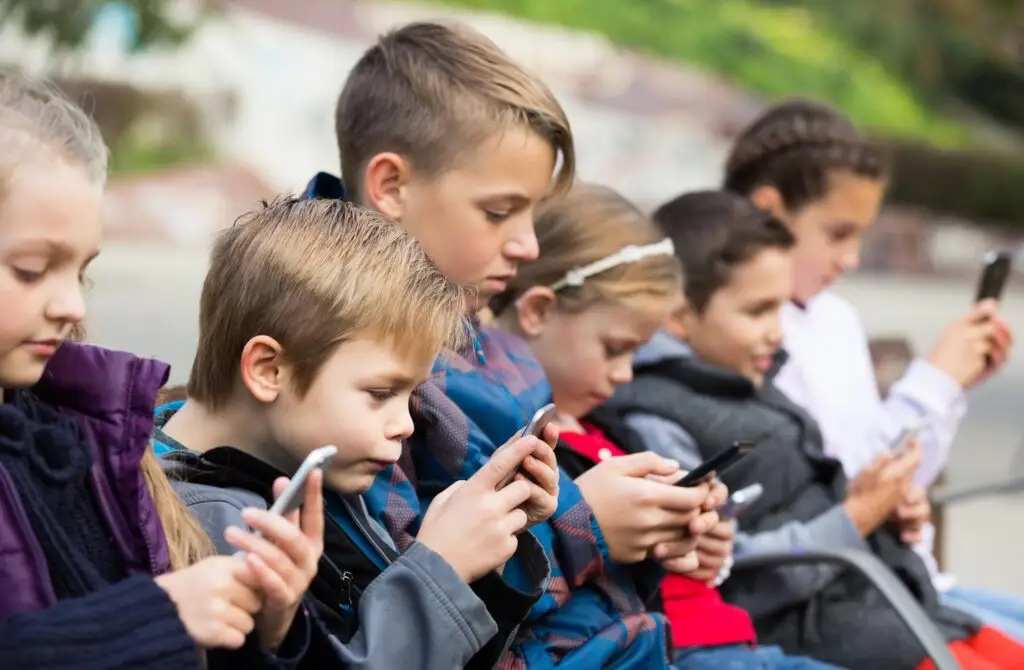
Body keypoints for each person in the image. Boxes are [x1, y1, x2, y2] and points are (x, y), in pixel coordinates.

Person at [306, 21, 720, 668]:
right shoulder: (346, 361)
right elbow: (401, 600)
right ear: (390, 187)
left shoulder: (475, 332)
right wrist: (589, 529)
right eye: (500, 213)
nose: (528, 246)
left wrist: (651, 527)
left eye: (533, 215)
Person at [602, 189, 1024, 669]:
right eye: (757, 311)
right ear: (678, 315)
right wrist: (858, 516)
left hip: (887, 604)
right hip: (824, 632)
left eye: (781, 309)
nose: (777, 331)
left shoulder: (746, 376)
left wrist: (881, 510)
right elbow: (724, 570)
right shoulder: (655, 416)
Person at [0, 69, 336, 668]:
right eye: (30, 270)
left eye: (80, 272)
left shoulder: (76, 434)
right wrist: (151, 621)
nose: (72, 306)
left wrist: (268, 625)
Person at [153, 196, 555, 669]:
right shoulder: (216, 531)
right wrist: (440, 569)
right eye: (381, 392)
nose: (404, 424)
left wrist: (482, 563)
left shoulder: (312, 467)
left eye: (410, 395)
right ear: (269, 369)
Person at [491, 182, 845, 670]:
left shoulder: (609, 430)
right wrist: (596, 524)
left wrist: (694, 540)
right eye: (615, 348)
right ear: (537, 311)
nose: (626, 373)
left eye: (635, 351)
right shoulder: (516, 441)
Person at [721, 98, 1024, 640]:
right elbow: (846, 486)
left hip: (908, 583)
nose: (853, 258)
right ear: (768, 211)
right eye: (838, 234)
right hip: (856, 603)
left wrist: (951, 387)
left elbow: (886, 473)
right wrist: (936, 380)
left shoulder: (834, 318)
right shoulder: (749, 337)